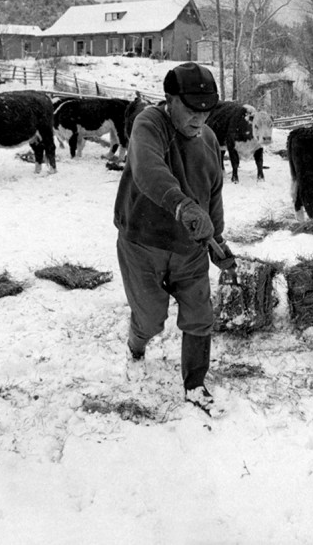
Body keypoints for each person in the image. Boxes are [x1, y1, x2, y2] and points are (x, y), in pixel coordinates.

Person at [112, 62, 236, 417]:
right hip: (143, 241)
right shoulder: (150, 123)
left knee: (200, 315)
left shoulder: (209, 139)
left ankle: (195, 384)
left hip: (189, 247)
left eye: (207, 110)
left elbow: (212, 192)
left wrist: (218, 239)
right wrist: (180, 205)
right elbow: (149, 170)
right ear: (170, 99)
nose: (200, 119)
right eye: (192, 110)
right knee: (151, 317)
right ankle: (136, 345)